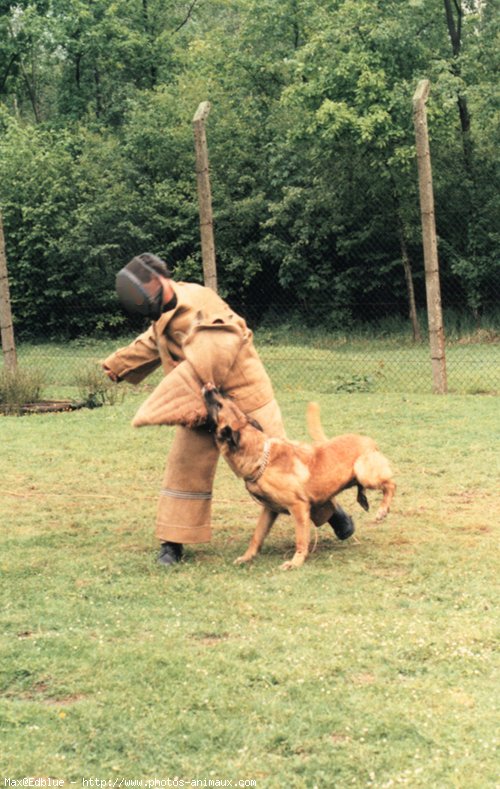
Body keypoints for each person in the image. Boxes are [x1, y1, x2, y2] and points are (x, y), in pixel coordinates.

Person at [102, 253, 355, 566]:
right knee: (184, 467)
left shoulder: (201, 301)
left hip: (245, 398)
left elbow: (223, 343)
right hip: (198, 402)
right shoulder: (162, 316)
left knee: (281, 469)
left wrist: (195, 381)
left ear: (157, 282)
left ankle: (330, 513)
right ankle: (172, 543)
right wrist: (119, 365)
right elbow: (152, 341)